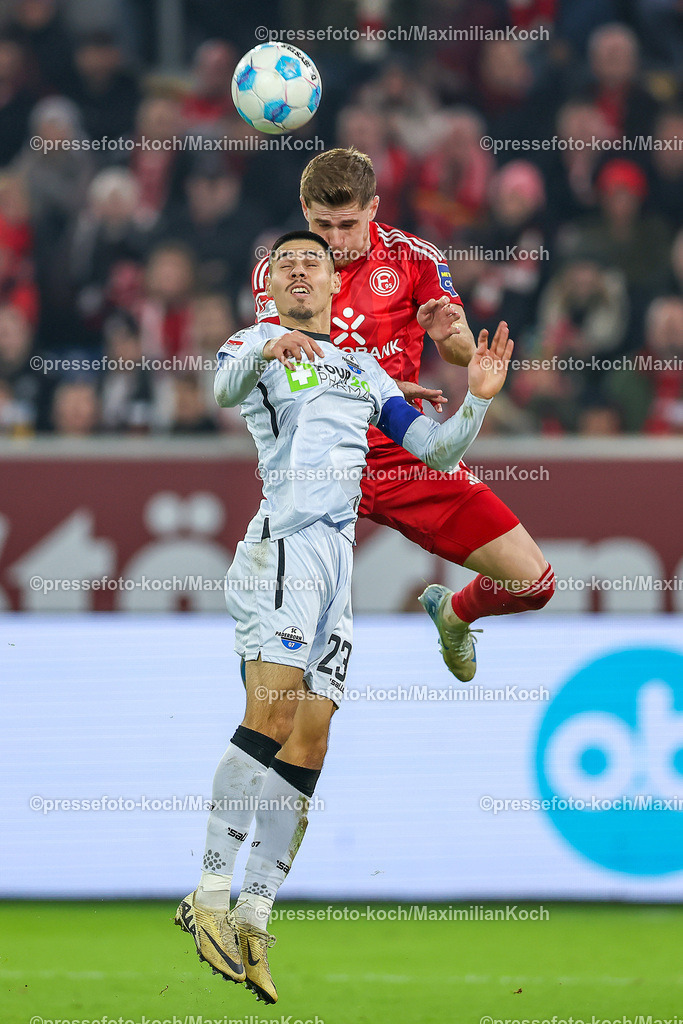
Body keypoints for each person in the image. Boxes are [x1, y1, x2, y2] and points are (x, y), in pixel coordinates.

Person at [175, 230, 513, 1004]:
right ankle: (210, 894)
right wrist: (271, 346)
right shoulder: (257, 340)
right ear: (272, 285)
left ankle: (257, 912)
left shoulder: (361, 367)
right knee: (268, 716)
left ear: (336, 286)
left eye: (313, 264)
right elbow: (221, 389)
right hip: (282, 550)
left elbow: (433, 451)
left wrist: (480, 397)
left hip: (335, 566)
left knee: (312, 734)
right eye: (286, 264)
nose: (300, 271)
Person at [252, 148, 554, 682]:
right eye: (324, 225)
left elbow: (458, 344)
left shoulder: (414, 258)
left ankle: (453, 614)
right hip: (317, 467)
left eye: (348, 225)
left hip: (402, 452)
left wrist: (455, 342)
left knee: (535, 583)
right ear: (304, 211)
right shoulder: (280, 269)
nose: (337, 241)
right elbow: (289, 375)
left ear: (374, 208)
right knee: (289, 682)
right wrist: (370, 386)